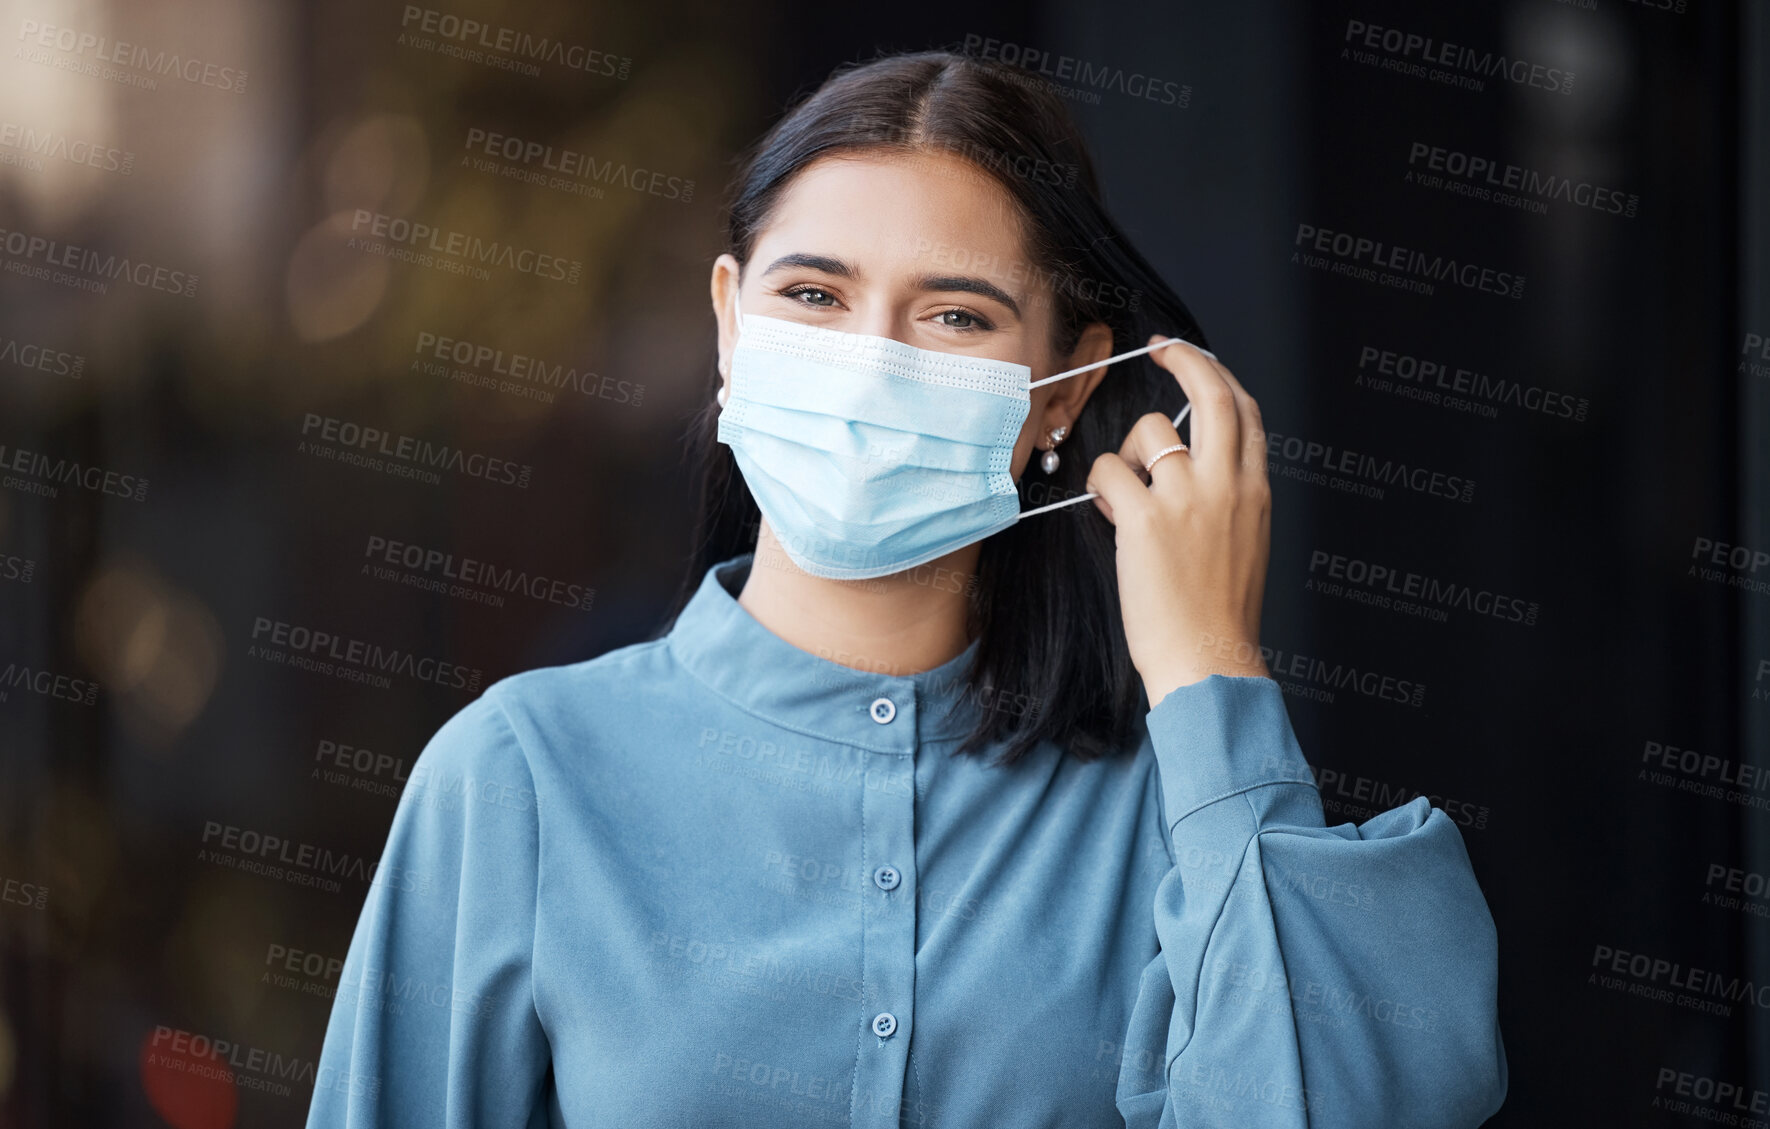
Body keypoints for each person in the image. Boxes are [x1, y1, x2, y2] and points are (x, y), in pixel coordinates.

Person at [306, 47, 1507, 1129]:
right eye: (815, 296)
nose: (869, 362)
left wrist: (1208, 676)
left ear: (1067, 389)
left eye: (955, 314)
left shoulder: (1177, 818)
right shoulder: (520, 775)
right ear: (731, 322)